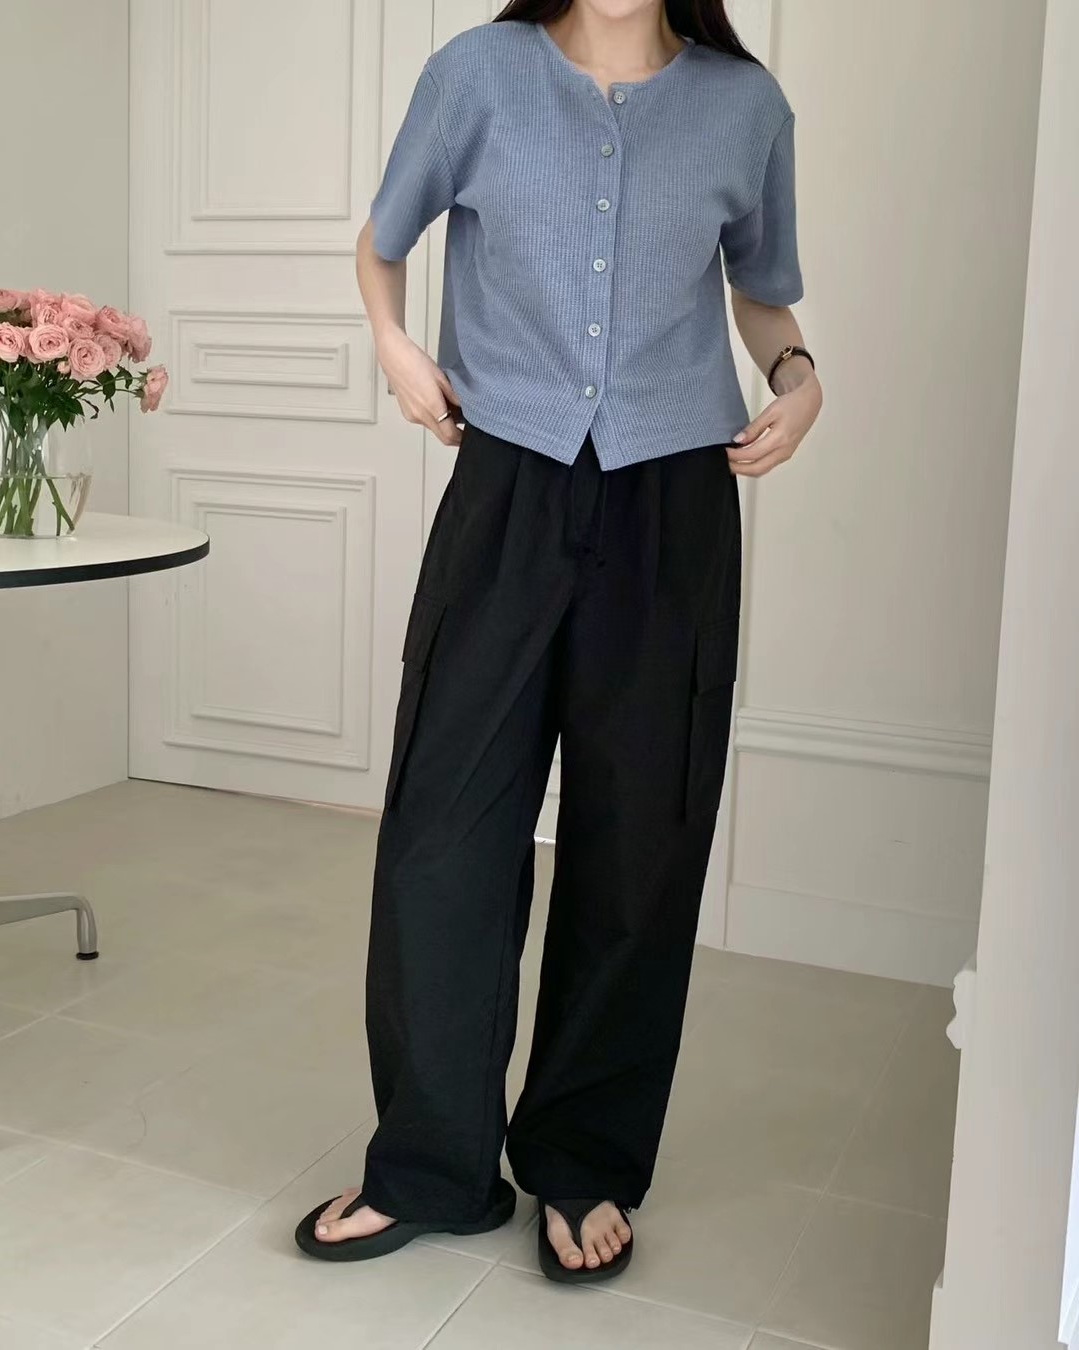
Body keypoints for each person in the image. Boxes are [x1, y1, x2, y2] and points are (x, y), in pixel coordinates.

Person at [295, 0, 822, 1283]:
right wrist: (394, 346)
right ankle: (430, 1163)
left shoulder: (745, 107)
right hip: (509, 482)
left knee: (640, 841)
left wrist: (799, 377)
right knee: (442, 831)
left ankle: (582, 1158)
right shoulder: (476, 75)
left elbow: (761, 292)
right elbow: (382, 241)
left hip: (676, 498)